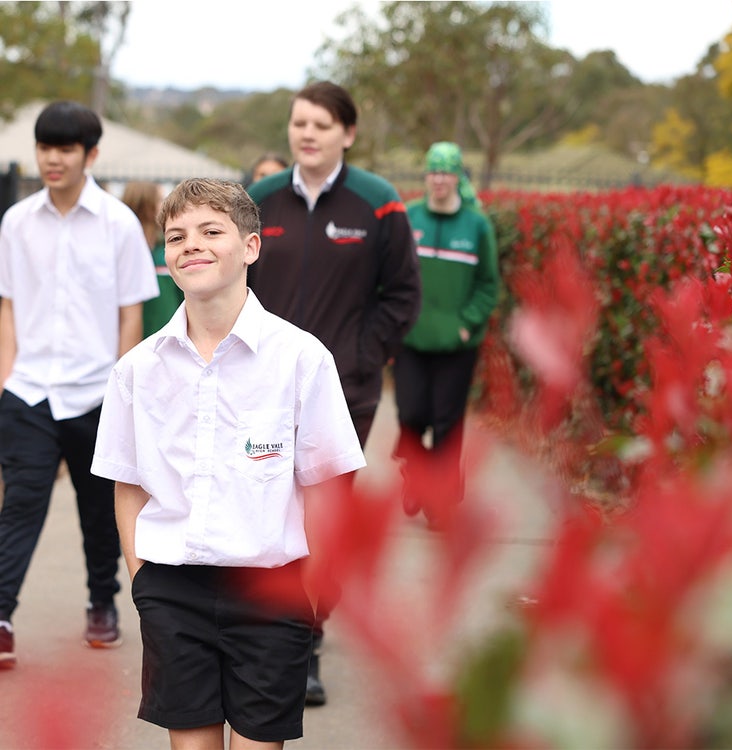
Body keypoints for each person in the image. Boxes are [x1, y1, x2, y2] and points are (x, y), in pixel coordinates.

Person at [91, 178, 365, 749]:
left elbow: (330, 486)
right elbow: (129, 485)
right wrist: (143, 582)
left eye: (211, 231)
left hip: (271, 593)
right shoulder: (137, 370)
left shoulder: (302, 358)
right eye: (176, 236)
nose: (192, 244)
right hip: (172, 592)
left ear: (251, 246)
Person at [246, 80, 421, 705]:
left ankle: (306, 644)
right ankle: (265, 632)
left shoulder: (379, 204)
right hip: (261, 388)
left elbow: (402, 295)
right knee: (268, 510)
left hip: (345, 392)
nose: (308, 133)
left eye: (321, 123)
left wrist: (361, 356)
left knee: (324, 516)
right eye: (299, 123)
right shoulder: (260, 201)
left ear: (347, 132)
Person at [0, 100, 159, 668]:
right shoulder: (16, 222)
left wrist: (121, 396)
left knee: (99, 510)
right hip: (30, 391)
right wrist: (6, 382)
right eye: (45, 147)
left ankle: (101, 603)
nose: (52, 158)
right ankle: (1, 613)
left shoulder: (118, 224)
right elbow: (9, 309)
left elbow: (130, 317)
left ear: (91, 154)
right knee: (20, 503)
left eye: (65, 148)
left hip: (96, 393)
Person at [392, 141, 499, 528]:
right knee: (411, 416)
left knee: (447, 422)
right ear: (426, 176)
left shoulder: (476, 224)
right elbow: (392, 275)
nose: (439, 179)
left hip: (457, 343)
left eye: (446, 171)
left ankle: (442, 501)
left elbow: (488, 284)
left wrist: (467, 321)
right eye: (433, 171)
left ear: (457, 176)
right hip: (412, 341)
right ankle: (416, 476)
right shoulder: (409, 218)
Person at [121, 180, 184, 337]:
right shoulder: (122, 250)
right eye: (160, 199)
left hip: (169, 340)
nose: (165, 205)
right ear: (145, 204)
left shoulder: (167, 249)